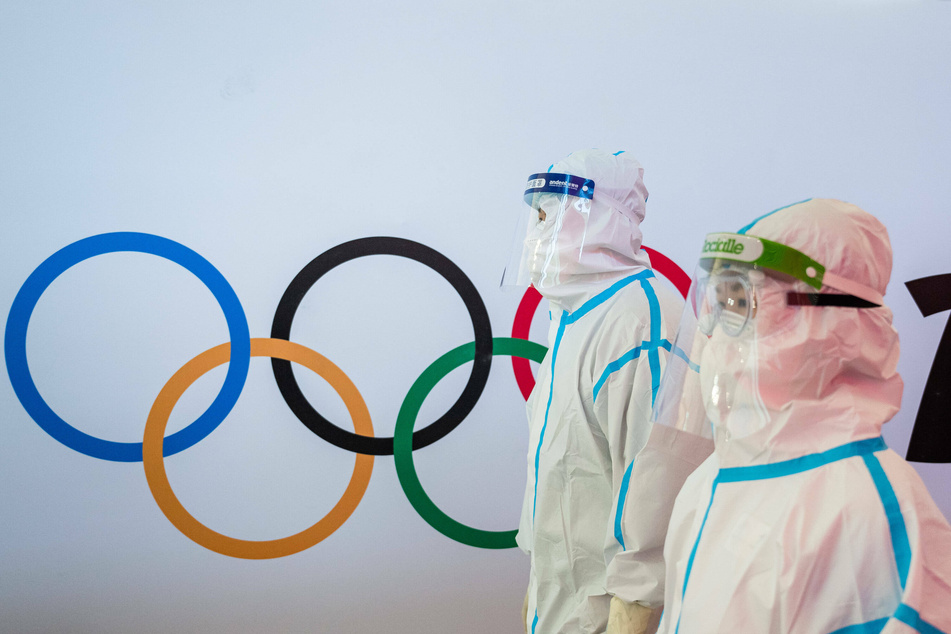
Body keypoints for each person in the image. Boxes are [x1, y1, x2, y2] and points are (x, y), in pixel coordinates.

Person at [652, 199, 951, 633]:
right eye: (719, 303)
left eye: (744, 302)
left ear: (834, 323)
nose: (718, 335)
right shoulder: (710, 478)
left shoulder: (872, 511)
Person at [502, 149, 685, 633]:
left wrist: (633, 613)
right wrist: (537, 590)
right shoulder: (568, 313)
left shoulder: (640, 320)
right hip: (561, 603)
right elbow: (559, 474)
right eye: (535, 215)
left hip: (608, 616)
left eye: (551, 214)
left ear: (606, 219)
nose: (536, 231)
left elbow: (653, 497)